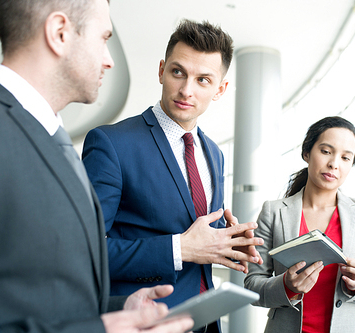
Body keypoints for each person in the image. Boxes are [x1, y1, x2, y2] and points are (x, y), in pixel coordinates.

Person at [0, 0, 194, 332]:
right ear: (60, 32)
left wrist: (117, 309)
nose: (109, 60)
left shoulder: (48, 135)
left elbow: (26, 288)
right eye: (103, 38)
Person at [82, 19, 263, 333]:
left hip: (206, 320)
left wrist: (226, 241)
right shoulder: (111, 144)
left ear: (220, 89)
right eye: (178, 72)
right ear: (162, 70)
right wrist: (180, 249)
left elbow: (197, 230)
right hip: (147, 321)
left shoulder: (215, 154)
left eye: (203, 80)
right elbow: (85, 251)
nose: (186, 90)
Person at [244, 116, 355, 333]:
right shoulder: (274, 212)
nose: (334, 164)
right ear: (307, 153)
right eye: (326, 151)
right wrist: (286, 287)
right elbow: (253, 285)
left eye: (346, 158)